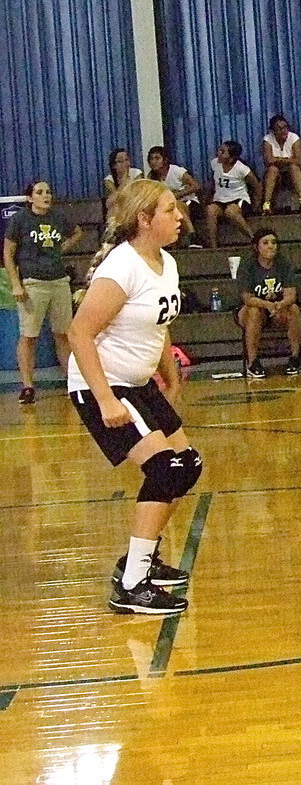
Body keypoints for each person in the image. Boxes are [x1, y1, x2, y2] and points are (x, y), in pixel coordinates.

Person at [67, 179, 198, 615]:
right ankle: (132, 584)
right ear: (144, 220)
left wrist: (170, 377)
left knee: (186, 466)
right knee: (165, 469)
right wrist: (106, 400)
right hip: (103, 384)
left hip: (139, 383)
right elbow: (79, 333)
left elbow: (157, 326)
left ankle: (142, 559)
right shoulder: (121, 267)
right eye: (168, 211)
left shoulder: (165, 263)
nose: (178, 217)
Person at [3, 179, 85, 404]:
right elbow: (8, 253)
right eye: (40, 192)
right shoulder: (20, 220)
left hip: (58, 281)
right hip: (33, 283)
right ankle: (28, 386)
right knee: (29, 336)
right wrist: (16, 283)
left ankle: (72, 383)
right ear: (30, 198)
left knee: (63, 334)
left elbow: (77, 232)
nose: (46, 195)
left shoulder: (58, 217)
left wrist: (62, 248)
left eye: (48, 192)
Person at [236, 228, 301, 377]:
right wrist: (268, 305)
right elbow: (247, 298)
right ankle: (252, 362)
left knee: (294, 309)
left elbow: (291, 295)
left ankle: (295, 358)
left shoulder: (284, 264)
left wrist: (280, 304)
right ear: (256, 247)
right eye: (265, 243)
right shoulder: (247, 266)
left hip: (278, 309)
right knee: (253, 311)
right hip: (255, 309)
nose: (271, 246)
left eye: (273, 242)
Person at [204, 140, 261, 247]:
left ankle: (254, 238)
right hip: (220, 199)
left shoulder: (241, 169)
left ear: (231, 157)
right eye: (219, 150)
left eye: (222, 151)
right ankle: (213, 245)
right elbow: (212, 182)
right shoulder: (215, 164)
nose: (219, 153)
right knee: (210, 210)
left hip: (238, 199)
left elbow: (257, 185)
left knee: (230, 212)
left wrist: (256, 205)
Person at [146, 146, 202, 241]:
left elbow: (196, 186)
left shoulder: (176, 171)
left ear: (165, 160)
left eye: (157, 158)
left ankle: (193, 234)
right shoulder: (151, 177)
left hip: (189, 202)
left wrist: (176, 195)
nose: (154, 162)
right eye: (151, 159)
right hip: (168, 205)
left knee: (176, 205)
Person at [260, 114, 301, 214]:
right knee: (272, 169)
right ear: (273, 131)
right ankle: (266, 204)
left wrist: (278, 160)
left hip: (293, 173)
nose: (283, 131)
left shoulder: (293, 137)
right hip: (276, 174)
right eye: (279, 128)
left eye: (285, 127)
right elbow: (268, 161)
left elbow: (299, 160)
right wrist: (288, 159)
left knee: (294, 167)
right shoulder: (268, 139)